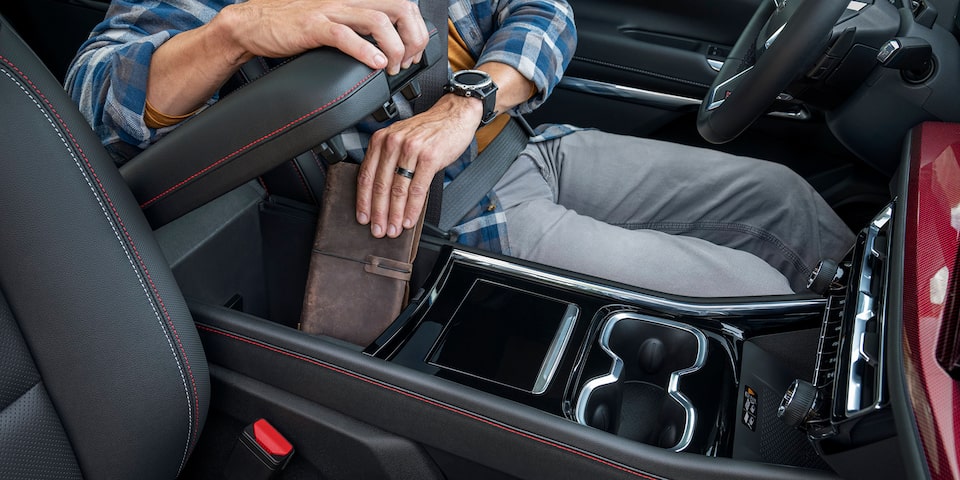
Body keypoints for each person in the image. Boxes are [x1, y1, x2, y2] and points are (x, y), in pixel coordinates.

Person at [66, 0, 854, 297]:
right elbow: (95, 98)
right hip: (438, 220)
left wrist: (467, 101)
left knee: (785, 200)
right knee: (754, 294)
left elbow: (544, 11)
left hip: (523, 145)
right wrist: (238, 30)